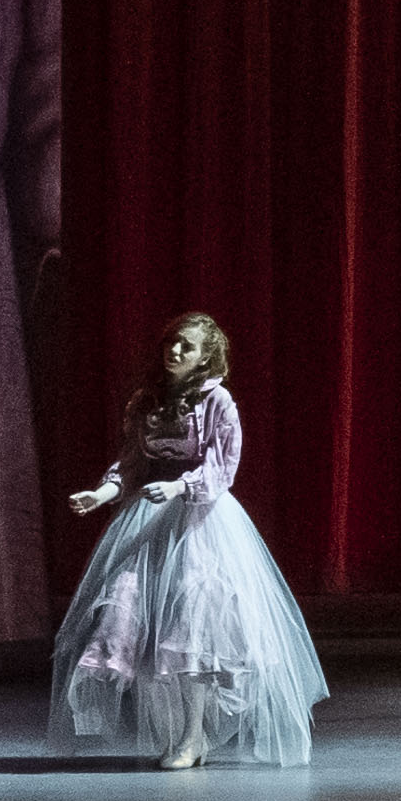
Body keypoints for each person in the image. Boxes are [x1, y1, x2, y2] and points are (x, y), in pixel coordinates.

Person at [53, 312, 328, 768]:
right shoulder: (147, 400)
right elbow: (132, 464)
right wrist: (101, 494)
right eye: (171, 343)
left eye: (186, 346)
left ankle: (191, 736)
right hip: (149, 521)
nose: (175, 351)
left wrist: (180, 487)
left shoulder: (217, 401)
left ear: (205, 356)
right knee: (140, 624)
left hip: (200, 522)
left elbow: (222, 468)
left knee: (191, 628)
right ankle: (178, 735)